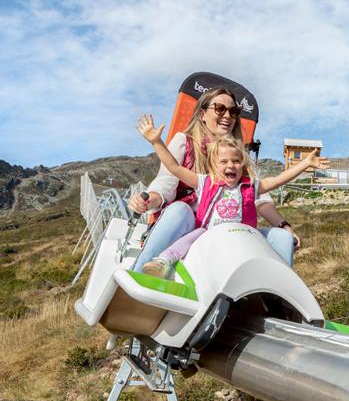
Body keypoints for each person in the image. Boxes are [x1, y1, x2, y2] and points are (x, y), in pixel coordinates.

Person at [135, 113, 329, 277]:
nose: (230, 166)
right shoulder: (205, 182)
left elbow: (279, 179)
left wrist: (305, 164)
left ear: (242, 164)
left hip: (241, 236)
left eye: (236, 161)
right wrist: (156, 141)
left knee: (281, 238)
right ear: (213, 165)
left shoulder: (250, 186)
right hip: (210, 235)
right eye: (224, 161)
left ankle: (280, 286)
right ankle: (163, 262)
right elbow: (174, 167)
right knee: (196, 234)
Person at [128, 87, 300, 270]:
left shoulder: (238, 156)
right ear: (203, 114)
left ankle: (277, 293)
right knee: (181, 209)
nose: (227, 116)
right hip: (190, 225)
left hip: (229, 230)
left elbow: (259, 198)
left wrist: (284, 227)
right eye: (220, 109)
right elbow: (167, 180)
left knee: (282, 238)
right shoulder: (184, 141)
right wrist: (150, 198)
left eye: (233, 112)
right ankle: (140, 271)